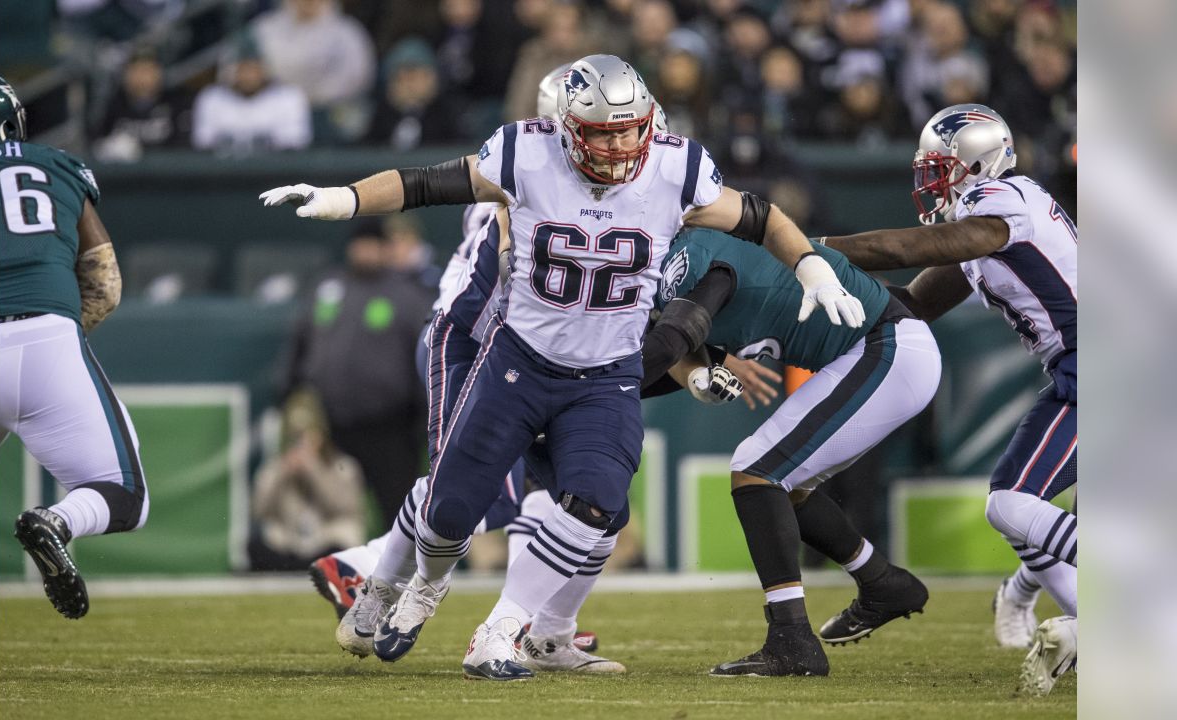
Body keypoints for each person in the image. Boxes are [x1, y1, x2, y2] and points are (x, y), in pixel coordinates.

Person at [261, 53, 865, 681]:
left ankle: (507, 630)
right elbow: (423, 183)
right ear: (567, 127)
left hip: (605, 373)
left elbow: (759, 217)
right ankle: (404, 582)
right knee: (453, 513)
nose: (622, 143)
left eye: (632, 127)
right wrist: (342, 198)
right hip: (513, 358)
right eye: (605, 130)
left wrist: (810, 265)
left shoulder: (676, 167)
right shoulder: (524, 157)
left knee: (601, 502)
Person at [309, 65, 650, 674]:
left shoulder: (601, 178)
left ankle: (539, 624)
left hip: (522, 346)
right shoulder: (528, 170)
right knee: (477, 486)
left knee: (562, 495)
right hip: (471, 336)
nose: (618, 150)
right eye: (600, 133)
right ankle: (370, 574)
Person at [822, 103, 1077, 696]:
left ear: (979, 163)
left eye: (941, 168)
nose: (931, 181)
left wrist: (806, 247)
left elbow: (911, 248)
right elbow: (909, 305)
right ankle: (1028, 601)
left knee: (1011, 503)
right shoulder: (982, 231)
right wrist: (812, 296)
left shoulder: (1005, 202)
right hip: (1078, 367)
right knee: (1022, 504)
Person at [643, 229, 940, 676]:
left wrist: (587, 387)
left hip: (887, 348)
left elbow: (673, 337)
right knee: (787, 484)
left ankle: (791, 638)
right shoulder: (672, 261)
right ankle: (882, 582)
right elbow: (670, 351)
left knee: (756, 469)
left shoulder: (692, 251)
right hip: (880, 351)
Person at [0, 76, 149, 619]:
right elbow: (104, 282)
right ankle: (56, 522)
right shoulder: (55, 165)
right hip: (47, 339)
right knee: (123, 494)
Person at [279, 220, 434, 528]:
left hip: (390, 429)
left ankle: (404, 572)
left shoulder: (407, 296)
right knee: (328, 514)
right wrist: (286, 390)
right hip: (330, 429)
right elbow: (299, 343)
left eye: (373, 244)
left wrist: (423, 420)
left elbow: (425, 356)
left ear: (385, 249)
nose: (365, 252)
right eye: (360, 244)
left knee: (399, 512)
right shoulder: (328, 289)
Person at [248, 390, 365, 570]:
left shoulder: (343, 465)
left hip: (326, 540)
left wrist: (313, 469)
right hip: (291, 544)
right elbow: (258, 511)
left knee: (345, 535)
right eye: (295, 437)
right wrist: (283, 473)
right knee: (257, 545)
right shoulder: (276, 467)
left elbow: (342, 507)